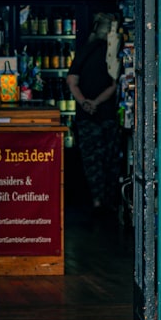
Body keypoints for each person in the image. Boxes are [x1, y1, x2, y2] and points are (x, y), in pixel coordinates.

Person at [66, 12, 120, 216]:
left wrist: (84, 102)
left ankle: (96, 200)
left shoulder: (84, 51)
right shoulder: (114, 53)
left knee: (91, 161)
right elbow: (116, 84)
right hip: (107, 115)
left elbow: (71, 81)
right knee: (110, 160)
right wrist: (96, 102)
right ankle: (108, 201)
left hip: (86, 116)